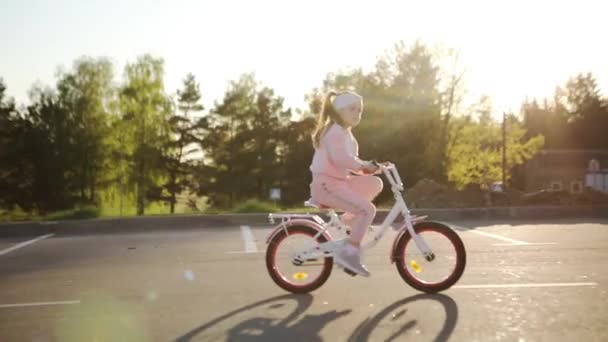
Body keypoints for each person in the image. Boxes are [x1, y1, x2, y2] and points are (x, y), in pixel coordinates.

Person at [309, 90, 383, 277]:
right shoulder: (334, 132)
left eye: (360, 110)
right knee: (368, 210)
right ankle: (349, 254)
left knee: (375, 183)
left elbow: (352, 162)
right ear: (339, 111)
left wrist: (376, 167)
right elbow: (342, 159)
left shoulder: (346, 134)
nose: (357, 113)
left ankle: (350, 219)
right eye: (352, 109)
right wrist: (364, 165)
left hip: (338, 182)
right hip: (327, 185)